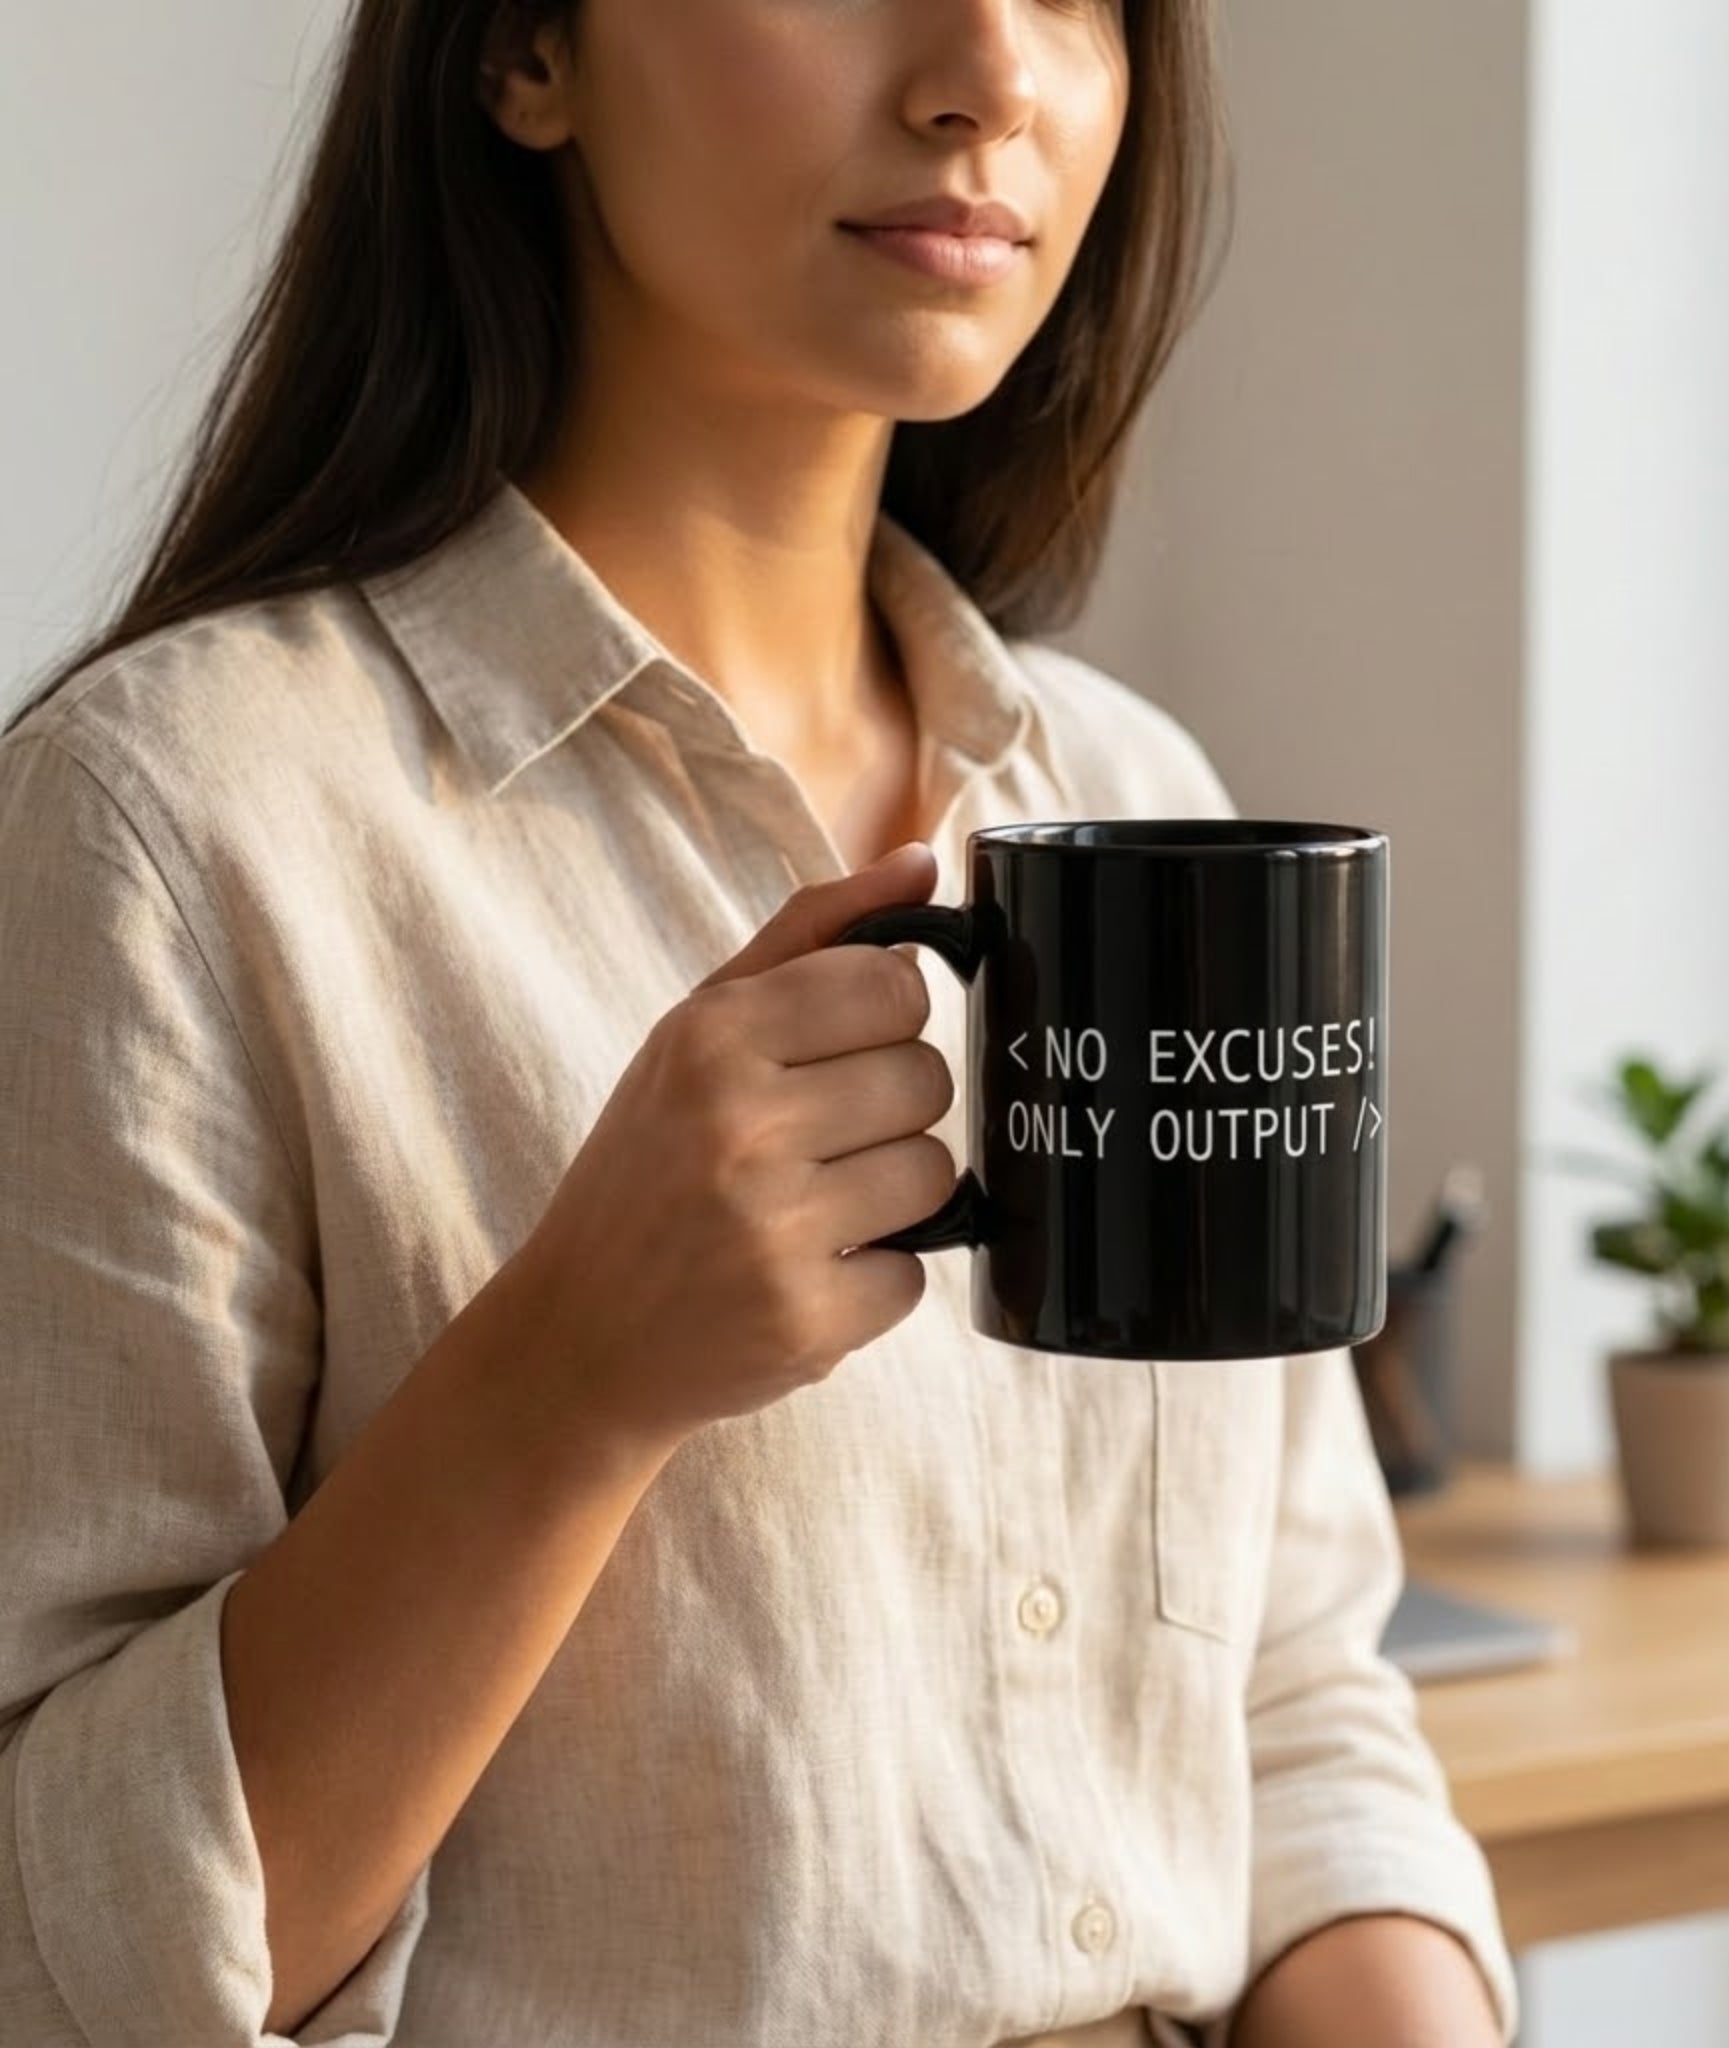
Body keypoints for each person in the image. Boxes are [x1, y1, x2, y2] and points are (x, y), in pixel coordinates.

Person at [0, 2, 1515, 2043]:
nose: (988, 69)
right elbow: (54, 1956)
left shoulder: (1141, 802)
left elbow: (1299, 1694)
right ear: (524, 50)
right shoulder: (172, 831)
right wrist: (565, 1382)